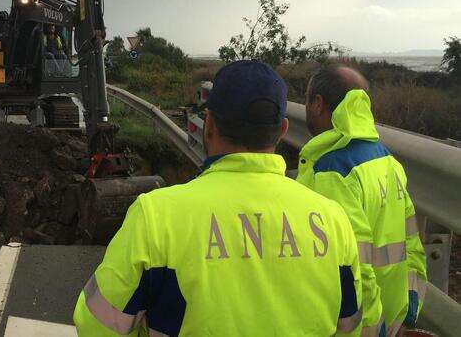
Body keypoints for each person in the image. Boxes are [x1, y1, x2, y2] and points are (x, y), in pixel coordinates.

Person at [74, 60, 363, 336]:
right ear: (283, 130)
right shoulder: (333, 219)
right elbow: (350, 326)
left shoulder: (156, 216)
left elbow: (97, 325)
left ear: (208, 124)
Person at [296, 64, 427, 336]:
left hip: (360, 328)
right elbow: (413, 245)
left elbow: (353, 267)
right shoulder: (388, 162)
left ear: (318, 103)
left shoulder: (333, 171)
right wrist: (408, 309)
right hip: (391, 318)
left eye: (307, 100)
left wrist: (374, 328)